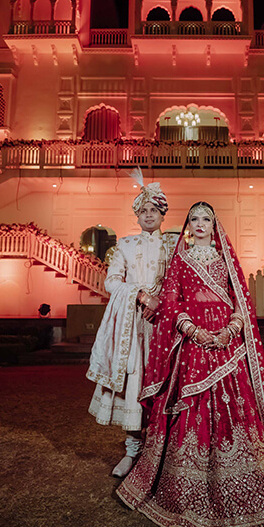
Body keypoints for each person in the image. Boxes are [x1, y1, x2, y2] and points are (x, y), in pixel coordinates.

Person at [117, 201, 264, 527]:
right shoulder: (180, 259)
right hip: (193, 345)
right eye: (193, 219)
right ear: (188, 224)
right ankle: (183, 491)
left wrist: (231, 329)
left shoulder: (226, 260)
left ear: (214, 224)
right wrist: (192, 330)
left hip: (227, 346)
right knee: (188, 411)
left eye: (205, 219)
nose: (199, 224)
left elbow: (240, 302)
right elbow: (172, 301)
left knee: (236, 410)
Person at [87, 171, 177, 477]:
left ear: (163, 214)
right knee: (134, 381)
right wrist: (140, 295)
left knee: (169, 382)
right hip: (134, 324)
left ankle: (164, 450)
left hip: (166, 323)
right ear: (137, 215)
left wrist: (161, 302)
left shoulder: (175, 245)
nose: (148, 215)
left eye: (154, 210)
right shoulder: (124, 245)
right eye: (143, 211)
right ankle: (132, 451)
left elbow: (181, 283)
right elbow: (111, 282)